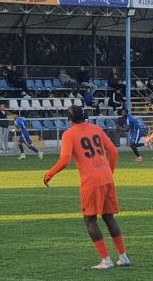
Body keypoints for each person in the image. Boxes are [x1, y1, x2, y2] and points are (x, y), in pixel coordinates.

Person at [43, 105, 129, 270]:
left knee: (89, 219)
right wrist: (109, 172)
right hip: (106, 177)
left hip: (91, 180)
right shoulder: (96, 128)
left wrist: (49, 174)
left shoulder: (69, 133)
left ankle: (106, 260)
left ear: (69, 119)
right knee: (109, 217)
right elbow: (114, 152)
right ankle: (123, 257)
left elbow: (65, 160)